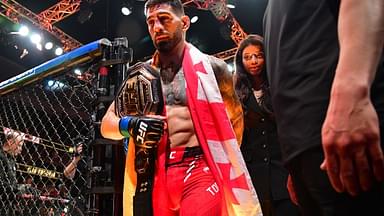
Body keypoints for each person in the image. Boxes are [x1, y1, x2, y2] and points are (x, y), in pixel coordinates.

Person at [101, 0, 262, 215]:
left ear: (184, 22)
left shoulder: (215, 68)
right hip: (155, 171)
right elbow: (106, 125)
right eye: (151, 22)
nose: (157, 27)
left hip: (201, 167)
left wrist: (223, 163)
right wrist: (131, 124)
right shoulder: (141, 76)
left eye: (164, 19)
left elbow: (235, 124)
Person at [264, 1, 384, 215]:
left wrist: (353, 94)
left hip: (345, 132)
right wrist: (294, 163)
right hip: (307, 151)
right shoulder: (271, 9)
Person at [233, 34, 299, 216]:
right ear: (241, 61)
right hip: (254, 178)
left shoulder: (280, 83)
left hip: (284, 172)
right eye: (247, 57)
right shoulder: (235, 93)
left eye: (258, 55)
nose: (253, 61)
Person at [0, 128, 25, 215]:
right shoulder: (1, 157)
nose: (20, 149)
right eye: (19, 145)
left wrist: (23, 188)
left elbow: (11, 185)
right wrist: (20, 188)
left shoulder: (11, 160)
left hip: (6, 205)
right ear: (10, 142)